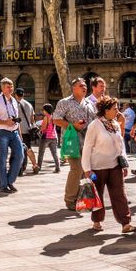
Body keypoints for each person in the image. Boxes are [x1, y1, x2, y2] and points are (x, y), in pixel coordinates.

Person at [81, 97, 136, 233]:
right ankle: (97, 222)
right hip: (97, 167)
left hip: (115, 166)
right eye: (115, 108)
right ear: (106, 110)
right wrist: (87, 169)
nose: (118, 111)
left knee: (119, 194)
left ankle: (125, 223)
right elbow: (87, 147)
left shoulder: (115, 124)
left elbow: (121, 145)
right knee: (98, 195)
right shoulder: (95, 125)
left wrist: (124, 164)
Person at [53, 78, 97, 210]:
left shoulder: (89, 103)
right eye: (81, 86)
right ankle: (70, 200)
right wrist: (73, 125)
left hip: (89, 142)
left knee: (86, 170)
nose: (84, 88)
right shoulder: (64, 102)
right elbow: (55, 119)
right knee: (77, 169)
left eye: (85, 85)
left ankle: (84, 198)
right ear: (74, 88)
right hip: (72, 141)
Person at [0, 79, 25, 193]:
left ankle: (10, 181)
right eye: (8, 87)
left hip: (14, 132)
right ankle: (3, 185)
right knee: (2, 159)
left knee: (20, 156)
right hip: (1, 132)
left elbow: (16, 118)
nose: (11, 88)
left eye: (12, 86)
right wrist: (4, 122)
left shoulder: (14, 100)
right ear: (2, 88)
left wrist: (20, 134)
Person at [14, 88, 39, 174]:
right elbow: (32, 119)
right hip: (28, 130)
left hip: (19, 130)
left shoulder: (14, 104)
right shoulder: (29, 105)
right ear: (23, 95)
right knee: (28, 148)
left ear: (15, 94)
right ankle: (35, 165)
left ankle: (20, 168)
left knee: (18, 149)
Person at [38, 104, 60, 172]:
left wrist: (39, 130)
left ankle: (38, 167)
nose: (43, 111)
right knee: (54, 153)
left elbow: (44, 127)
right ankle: (57, 168)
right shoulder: (53, 117)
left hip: (46, 137)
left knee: (41, 153)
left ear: (46, 110)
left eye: (43, 109)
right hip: (54, 137)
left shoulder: (46, 117)